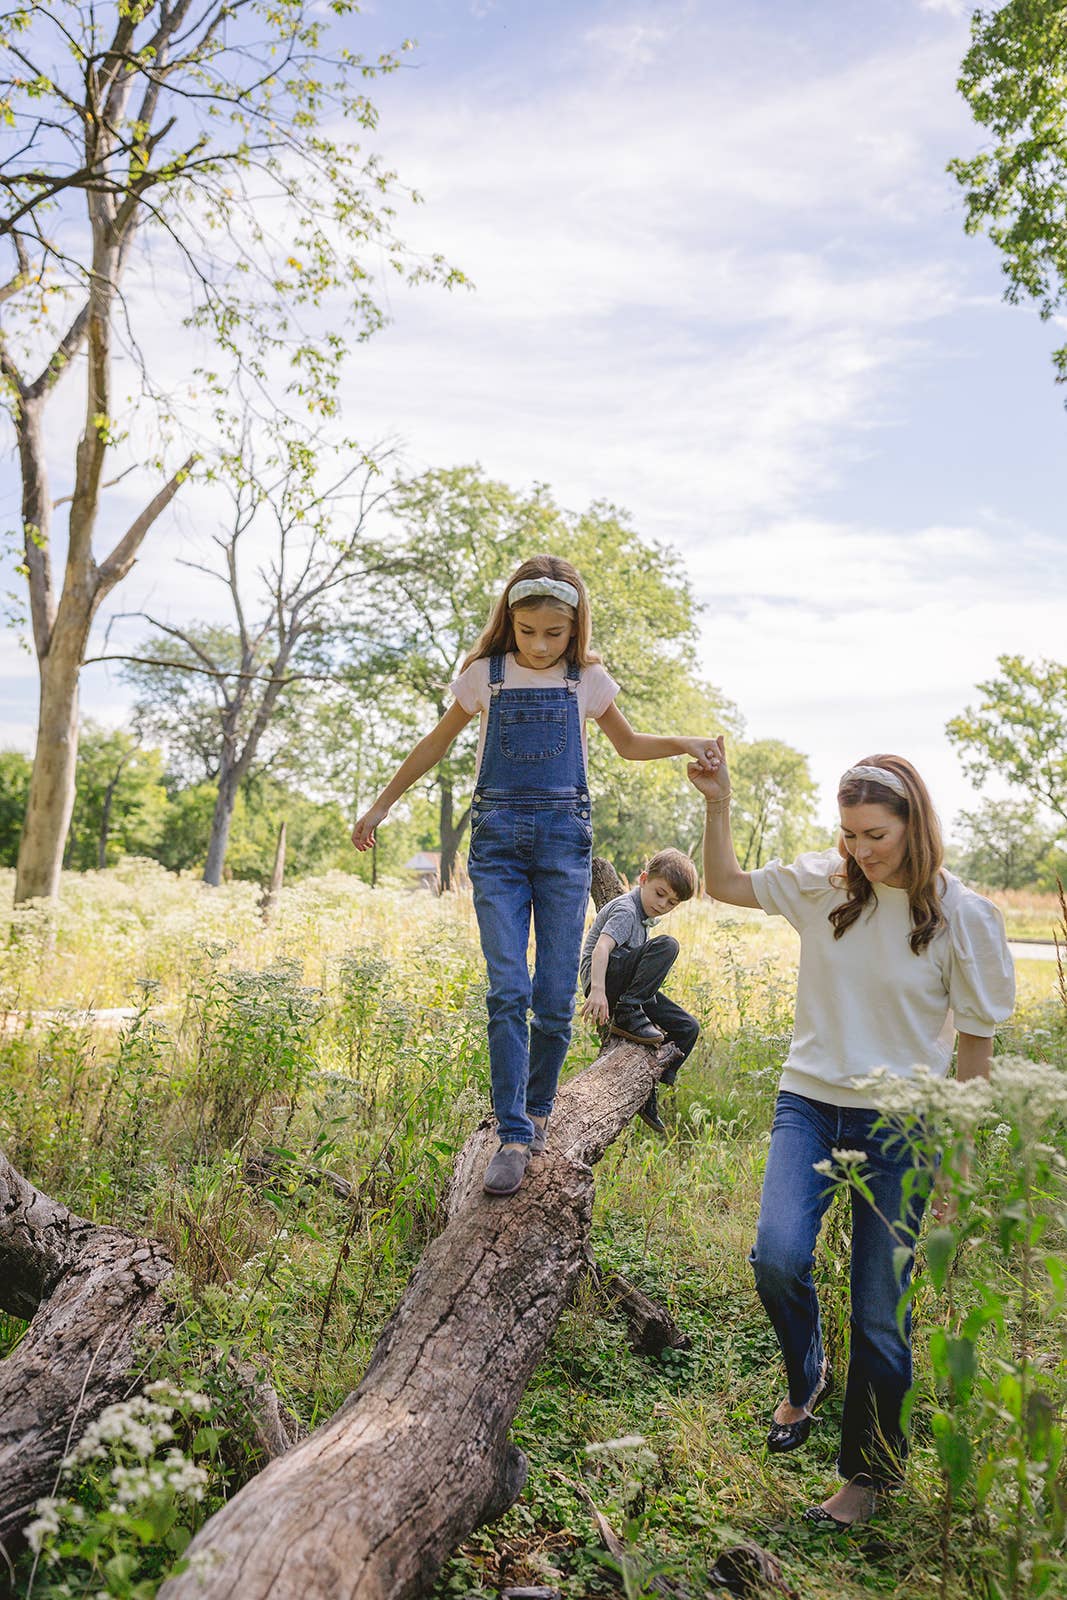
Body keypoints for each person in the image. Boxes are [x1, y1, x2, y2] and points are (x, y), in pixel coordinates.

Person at [688, 739, 1014, 1529]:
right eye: (849, 834)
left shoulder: (960, 917)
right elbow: (725, 883)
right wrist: (718, 801)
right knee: (775, 1255)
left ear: (913, 824)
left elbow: (974, 1048)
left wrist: (954, 1163)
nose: (860, 851)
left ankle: (866, 1477)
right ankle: (805, 1378)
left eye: (875, 834)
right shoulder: (822, 883)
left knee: (879, 1309)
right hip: (809, 1100)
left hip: (901, 1125)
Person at [351, 554, 718, 1197]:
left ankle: (541, 1109)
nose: (541, 645)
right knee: (507, 992)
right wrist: (382, 803)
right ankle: (514, 1133)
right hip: (495, 847)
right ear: (509, 624)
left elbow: (628, 746)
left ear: (575, 629)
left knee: (552, 1000)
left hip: (561, 848)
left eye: (555, 634)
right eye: (528, 632)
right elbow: (435, 743)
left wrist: (686, 742)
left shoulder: (586, 683)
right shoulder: (484, 678)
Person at [580, 847, 701, 1133]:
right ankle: (627, 1014)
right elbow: (601, 949)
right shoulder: (625, 910)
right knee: (668, 944)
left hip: (624, 984)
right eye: (660, 894)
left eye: (672, 903)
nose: (663, 905)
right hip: (605, 980)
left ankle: (650, 1086)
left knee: (688, 1027)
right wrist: (597, 990)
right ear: (644, 878)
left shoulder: (645, 914)